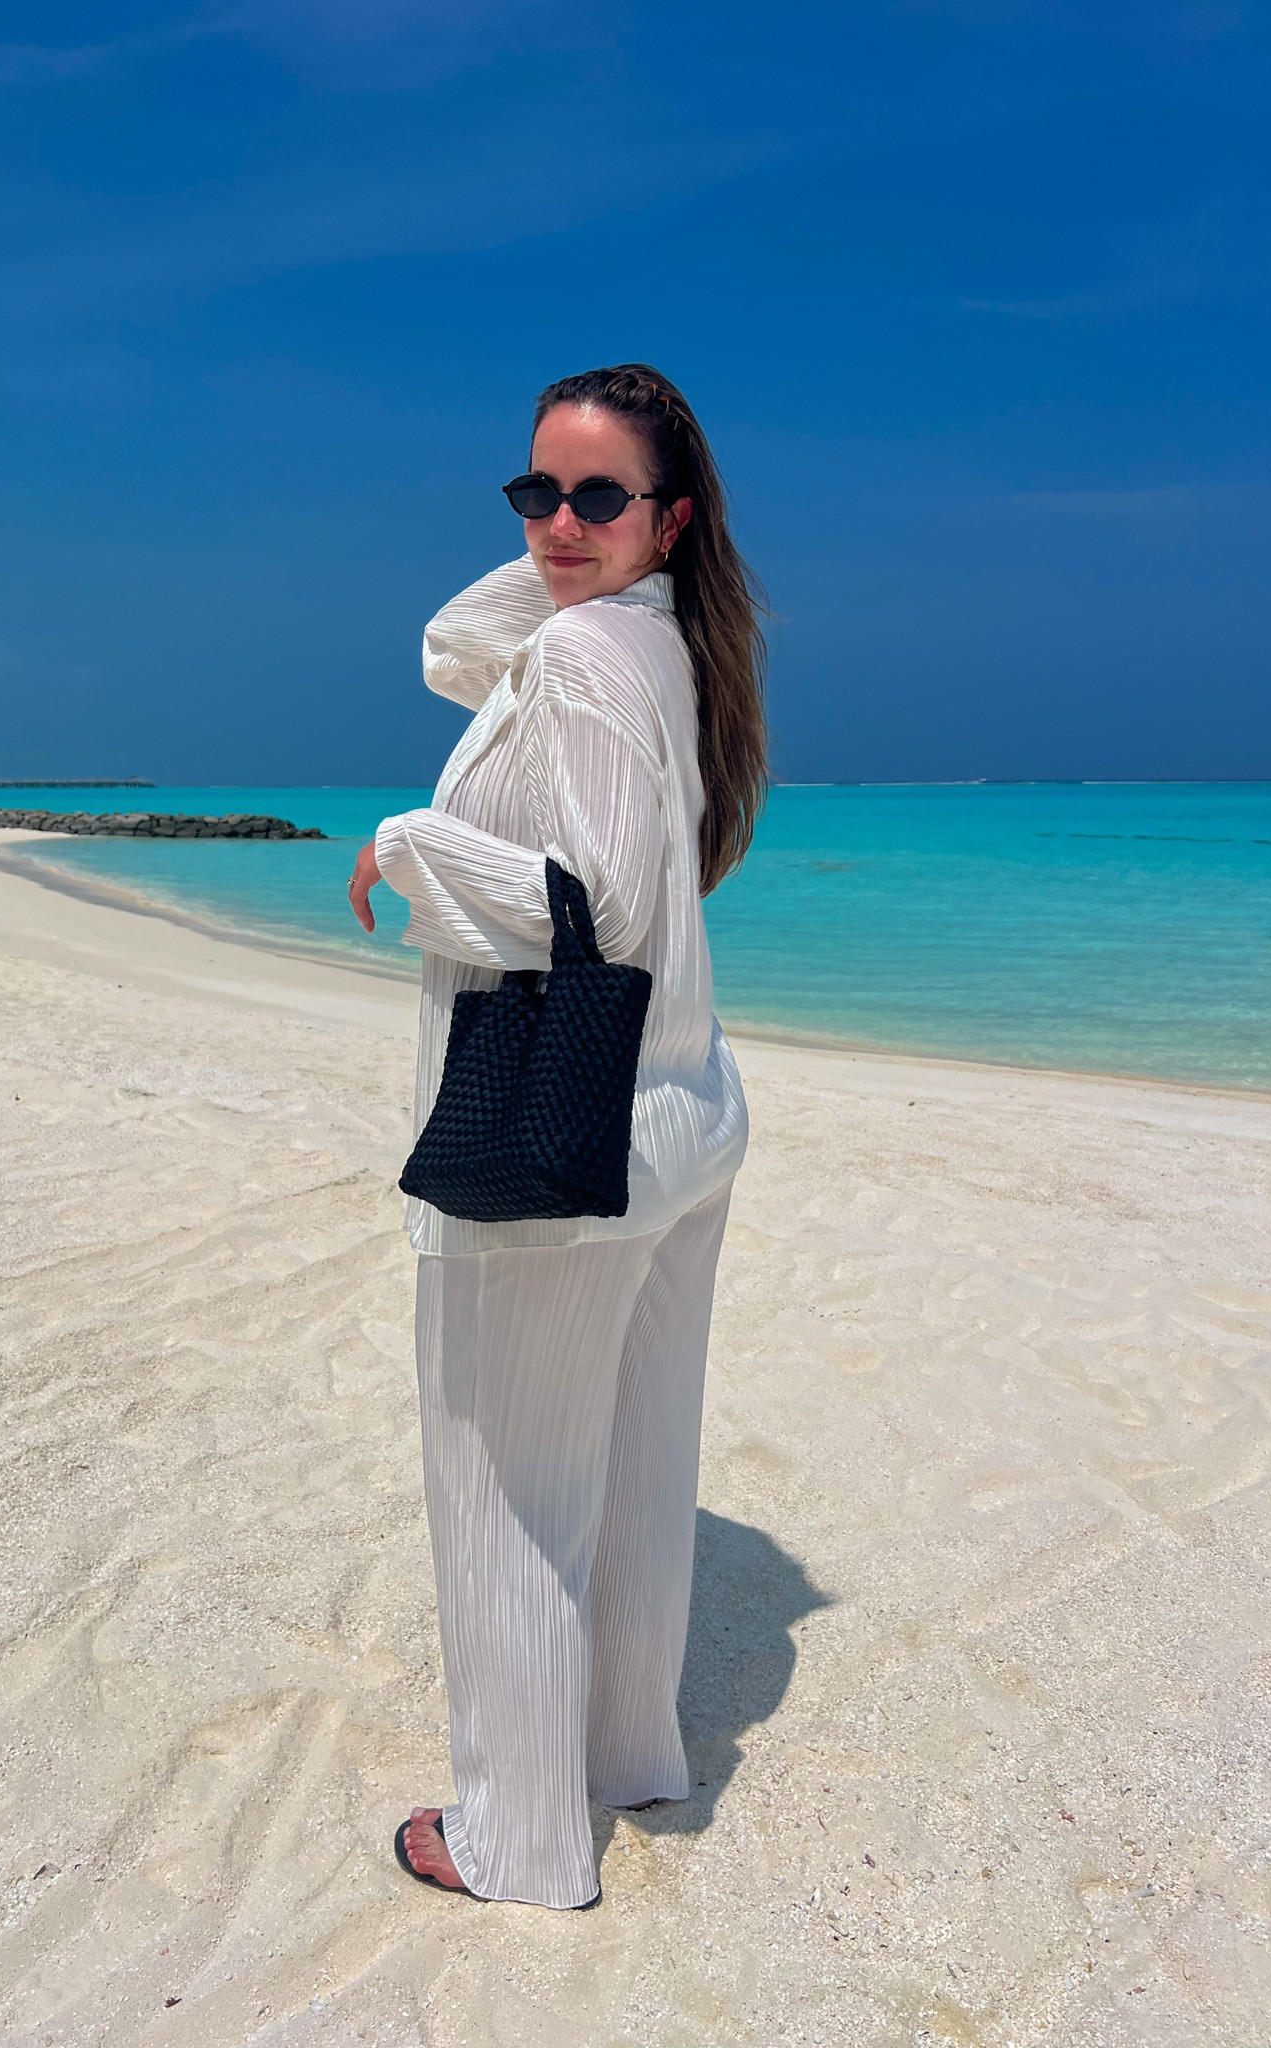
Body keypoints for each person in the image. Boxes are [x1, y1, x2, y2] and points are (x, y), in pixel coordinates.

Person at [347, 364, 768, 1910]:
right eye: (537, 492)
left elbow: (596, 907)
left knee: (508, 1483)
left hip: (569, 1134)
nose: (560, 526)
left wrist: (411, 849)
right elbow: (459, 650)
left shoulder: (590, 659)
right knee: (641, 1465)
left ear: (674, 514)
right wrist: (586, 551)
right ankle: (625, 1755)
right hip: (684, 1115)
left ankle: (518, 1839)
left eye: (601, 497)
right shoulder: (660, 646)